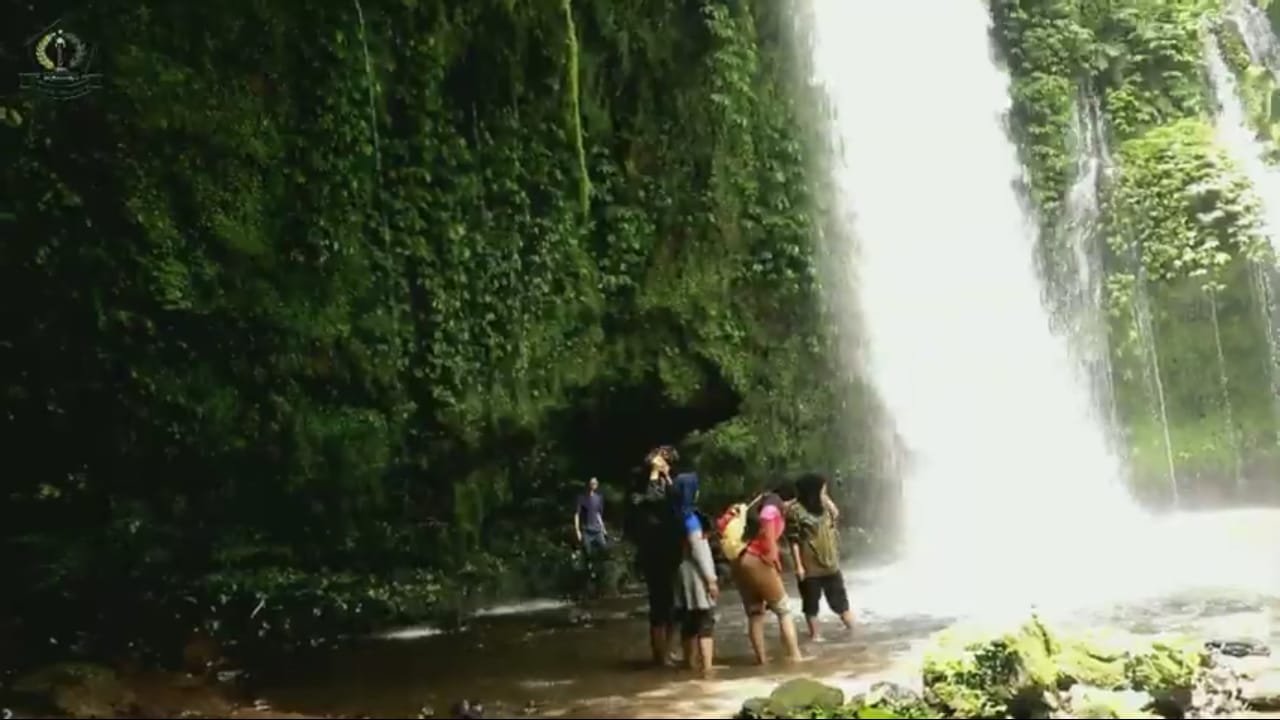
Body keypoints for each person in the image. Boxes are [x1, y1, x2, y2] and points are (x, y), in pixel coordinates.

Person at [626, 445, 682, 666]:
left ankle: (668, 650)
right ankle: (660, 655)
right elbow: (653, 498)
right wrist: (654, 473)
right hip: (654, 550)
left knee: (672, 605)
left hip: (669, 548)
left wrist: (665, 475)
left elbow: (676, 500)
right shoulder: (640, 491)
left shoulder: (666, 482)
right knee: (660, 604)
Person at [730, 492, 802, 664]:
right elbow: (770, 547)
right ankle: (795, 656)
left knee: (755, 614)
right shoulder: (771, 510)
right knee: (783, 610)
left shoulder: (756, 510)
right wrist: (775, 563)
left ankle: (762, 660)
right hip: (757, 560)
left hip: (740, 561)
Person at [787, 473, 855, 641]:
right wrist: (798, 565)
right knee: (811, 604)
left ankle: (854, 632)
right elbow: (793, 540)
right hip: (809, 566)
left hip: (831, 563)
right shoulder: (795, 511)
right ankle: (815, 637)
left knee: (841, 602)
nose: (825, 492)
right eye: (822, 488)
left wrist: (825, 499)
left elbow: (836, 515)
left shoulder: (825, 507)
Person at [671, 472, 718, 674]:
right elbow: (699, 551)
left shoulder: (673, 515)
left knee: (688, 622)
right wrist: (711, 580)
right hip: (697, 576)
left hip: (681, 573)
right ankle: (707, 668)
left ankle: (689, 664)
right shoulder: (691, 519)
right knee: (705, 621)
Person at [574, 477, 609, 590]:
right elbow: (577, 515)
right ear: (588, 484)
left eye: (595, 483)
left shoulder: (599, 498)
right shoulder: (582, 498)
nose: (594, 484)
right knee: (587, 554)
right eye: (592, 483)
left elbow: (598, 514)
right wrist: (577, 530)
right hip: (586, 530)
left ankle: (600, 575)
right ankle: (589, 578)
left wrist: (603, 528)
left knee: (604, 549)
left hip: (597, 529)